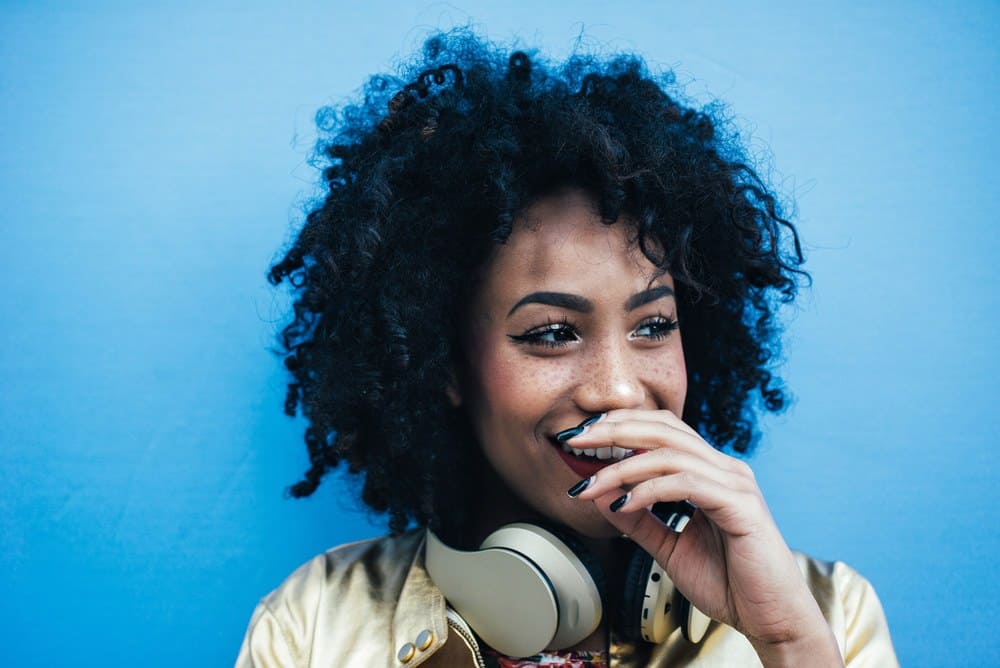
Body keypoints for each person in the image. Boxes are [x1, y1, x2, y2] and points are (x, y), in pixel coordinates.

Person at [236, 30, 898, 667]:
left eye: (653, 325)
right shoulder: (315, 624)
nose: (616, 388)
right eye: (551, 333)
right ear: (445, 363)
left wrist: (787, 644)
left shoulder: (828, 615)